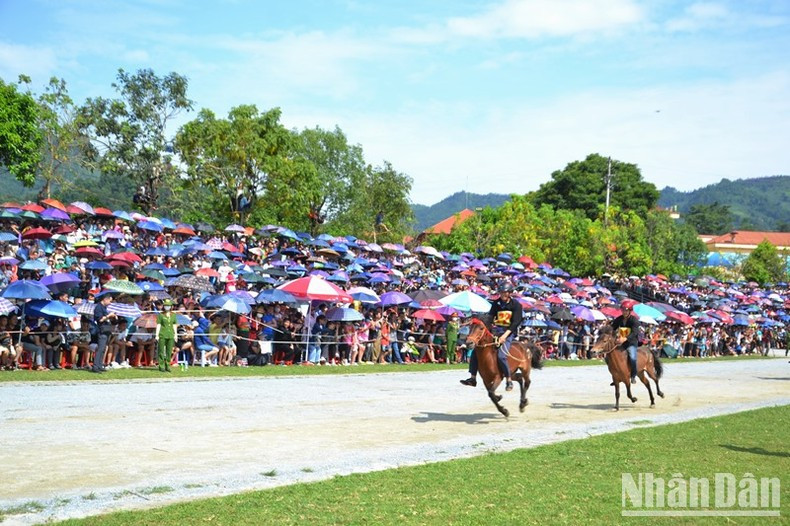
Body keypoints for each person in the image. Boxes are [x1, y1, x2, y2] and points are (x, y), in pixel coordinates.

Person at [460, 282, 522, 391]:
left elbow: (515, 323)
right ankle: (473, 378)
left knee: (502, 355)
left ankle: (508, 379)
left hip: (508, 333)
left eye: (504, 292)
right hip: (496, 332)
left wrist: (504, 336)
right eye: (501, 292)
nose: (502, 294)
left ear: (509, 293)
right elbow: (490, 318)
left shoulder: (516, 305)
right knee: (476, 351)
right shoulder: (496, 303)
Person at [612, 299, 640, 383]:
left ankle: (633, 375)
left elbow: (634, 332)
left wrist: (625, 338)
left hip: (631, 343)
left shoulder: (634, 320)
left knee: (632, 357)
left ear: (630, 311)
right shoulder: (619, 319)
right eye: (623, 310)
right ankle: (616, 375)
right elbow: (612, 328)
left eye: (626, 310)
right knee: (610, 356)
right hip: (621, 342)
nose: (624, 312)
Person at [92, 293, 116, 373]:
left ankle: (100, 365)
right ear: (105, 299)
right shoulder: (98, 307)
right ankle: (95, 366)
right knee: (100, 349)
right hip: (101, 330)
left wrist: (112, 317)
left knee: (103, 349)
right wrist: (109, 316)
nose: (110, 303)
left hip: (106, 330)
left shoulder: (104, 308)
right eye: (109, 301)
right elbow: (100, 319)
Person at [155, 299, 178, 372]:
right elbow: (158, 325)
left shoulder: (173, 315)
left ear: (171, 306)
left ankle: (168, 365)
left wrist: (176, 334)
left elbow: (174, 325)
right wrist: (157, 335)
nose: (167, 307)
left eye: (168, 305)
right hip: (162, 334)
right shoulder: (161, 315)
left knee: (169, 351)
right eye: (165, 305)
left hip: (170, 334)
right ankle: (161, 365)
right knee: (161, 350)